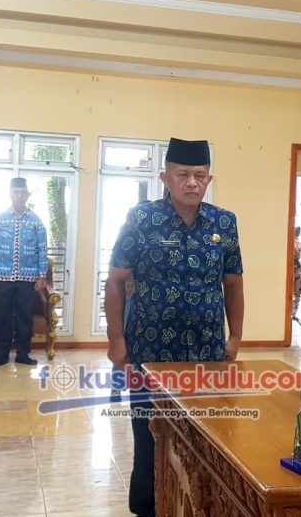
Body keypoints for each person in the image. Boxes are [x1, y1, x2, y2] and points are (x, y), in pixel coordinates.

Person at [105, 137, 244, 516]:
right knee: (150, 433)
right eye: (183, 174)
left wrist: (235, 337)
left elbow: (233, 284)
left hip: (206, 351)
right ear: (165, 178)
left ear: (209, 178)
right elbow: (116, 280)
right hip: (149, 350)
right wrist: (116, 340)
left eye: (200, 175)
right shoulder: (142, 218)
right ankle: (149, 508)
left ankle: (198, 504)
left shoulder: (224, 222)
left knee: (206, 434)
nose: (192, 183)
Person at [0, 177, 48, 366]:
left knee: (24, 317)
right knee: (2, 316)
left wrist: (42, 276)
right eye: (16, 192)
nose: (19, 196)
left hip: (28, 278)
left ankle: (23, 353)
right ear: (10, 194)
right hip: (2, 277)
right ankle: (1, 354)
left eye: (22, 192)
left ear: (27, 195)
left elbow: (42, 249)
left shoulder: (36, 221)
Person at [292, 225, 301, 315]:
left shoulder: (291, 243)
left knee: (290, 292)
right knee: (298, 293)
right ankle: (295, 310)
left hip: (292, 270)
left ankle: (291, 310)